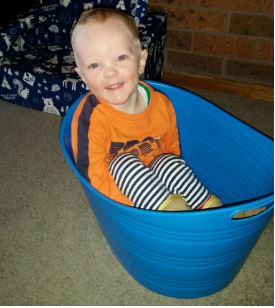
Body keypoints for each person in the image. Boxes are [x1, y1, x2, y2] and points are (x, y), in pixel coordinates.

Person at [70, 7, 222, 211]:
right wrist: (133, 210)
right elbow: (92, 174)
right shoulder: (91, 117)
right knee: (121, 163)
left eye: (121, 58)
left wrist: (171, 184)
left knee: (168, 161)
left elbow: (172, 148)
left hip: (158, 174)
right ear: (83, 77)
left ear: (141, 61)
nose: (110, 72)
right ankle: (170, 212)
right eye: (94, 65)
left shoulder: (161, 104)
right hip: (121, 191)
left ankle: (211, 207)